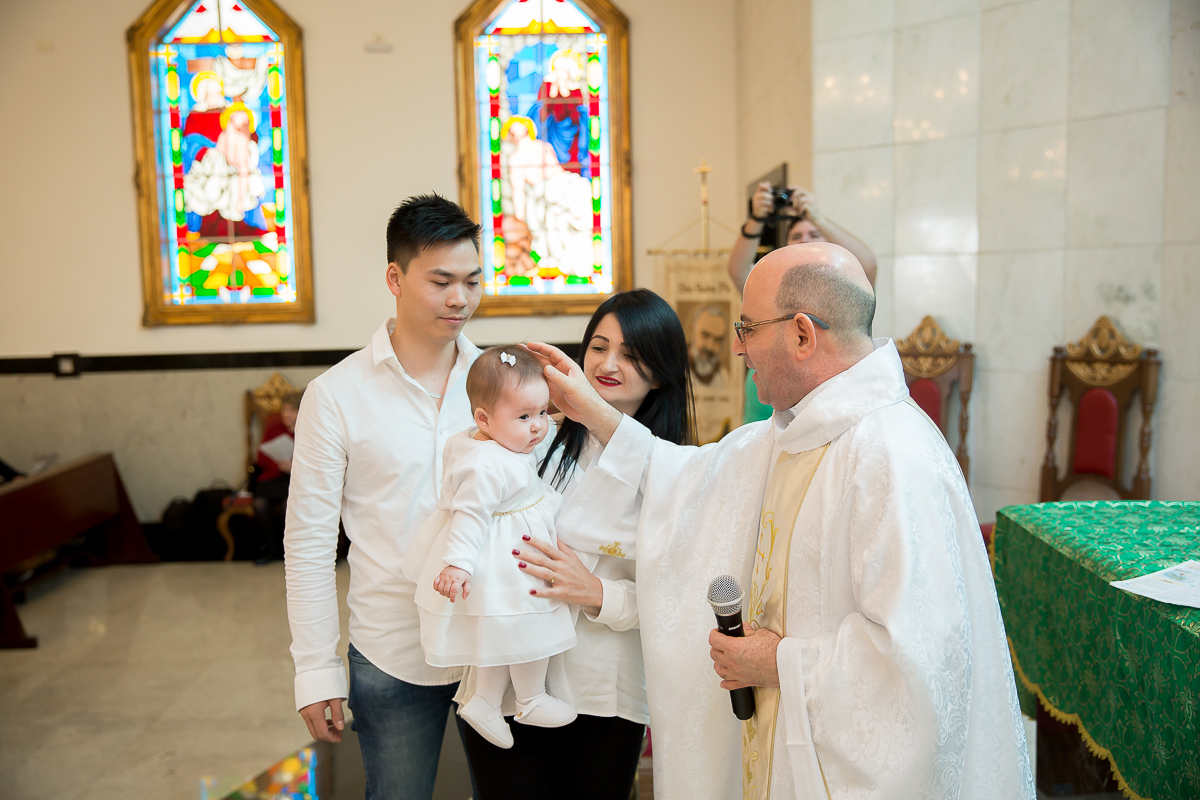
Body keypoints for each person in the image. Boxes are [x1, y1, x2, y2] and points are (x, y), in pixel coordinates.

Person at [528, 243, 1034, 799]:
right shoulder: (794, 432)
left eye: (748, 328)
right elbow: (685, 478)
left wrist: (778, 661)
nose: (738, 346)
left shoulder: (891, 456)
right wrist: (591, 410)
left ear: (802, 335)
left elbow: (918, 665)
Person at [284, 194, 484, 799]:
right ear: (395, 279)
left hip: (495, 646)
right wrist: (315, 669)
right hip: (391, 650)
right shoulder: (335, 395)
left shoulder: (500, 383)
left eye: (473, 281)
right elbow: (310, 543)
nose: (460, 298)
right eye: (441, 282)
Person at [459, 289, 695, 800]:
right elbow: (466, 501)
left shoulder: (677, 471)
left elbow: (679, 597)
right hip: (504, 675)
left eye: (632, 354)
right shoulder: (534, 437)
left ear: (661, 373)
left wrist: (597, 593)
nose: (608, 365)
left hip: (603, 687)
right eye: (599, 347)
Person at [404, 346, 579, 750]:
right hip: (504, 557)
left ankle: (484, 701)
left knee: (499, 632)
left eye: (541, 412)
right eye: (524, 417)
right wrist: (458, 564)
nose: (538, 427)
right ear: (483, 419)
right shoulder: (485, 465)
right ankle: (530, 698)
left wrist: (559, 414)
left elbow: (536, 426)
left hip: (506, 548)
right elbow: (469, 515)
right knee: (529, 622)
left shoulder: (496, 440)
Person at [730, 183, 878, 425]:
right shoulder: (769, 288)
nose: (805, 241)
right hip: (762, 406)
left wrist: (816, 217)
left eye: (814, 235)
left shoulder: (841, 289)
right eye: (796, 237)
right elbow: (737, 271)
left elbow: (868, 264)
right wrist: (756, 219)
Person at [253, 388, 303, 565]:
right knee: (259, 504)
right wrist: (279, 465)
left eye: (292, 410)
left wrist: (293, 466)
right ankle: (273, 549)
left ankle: (289, 551)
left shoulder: (309, 429)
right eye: (284, 410)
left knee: (287, 506)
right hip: (274, 477)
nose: (286, 415)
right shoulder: (274, 428)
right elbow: (261, 456)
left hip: (296, 479)